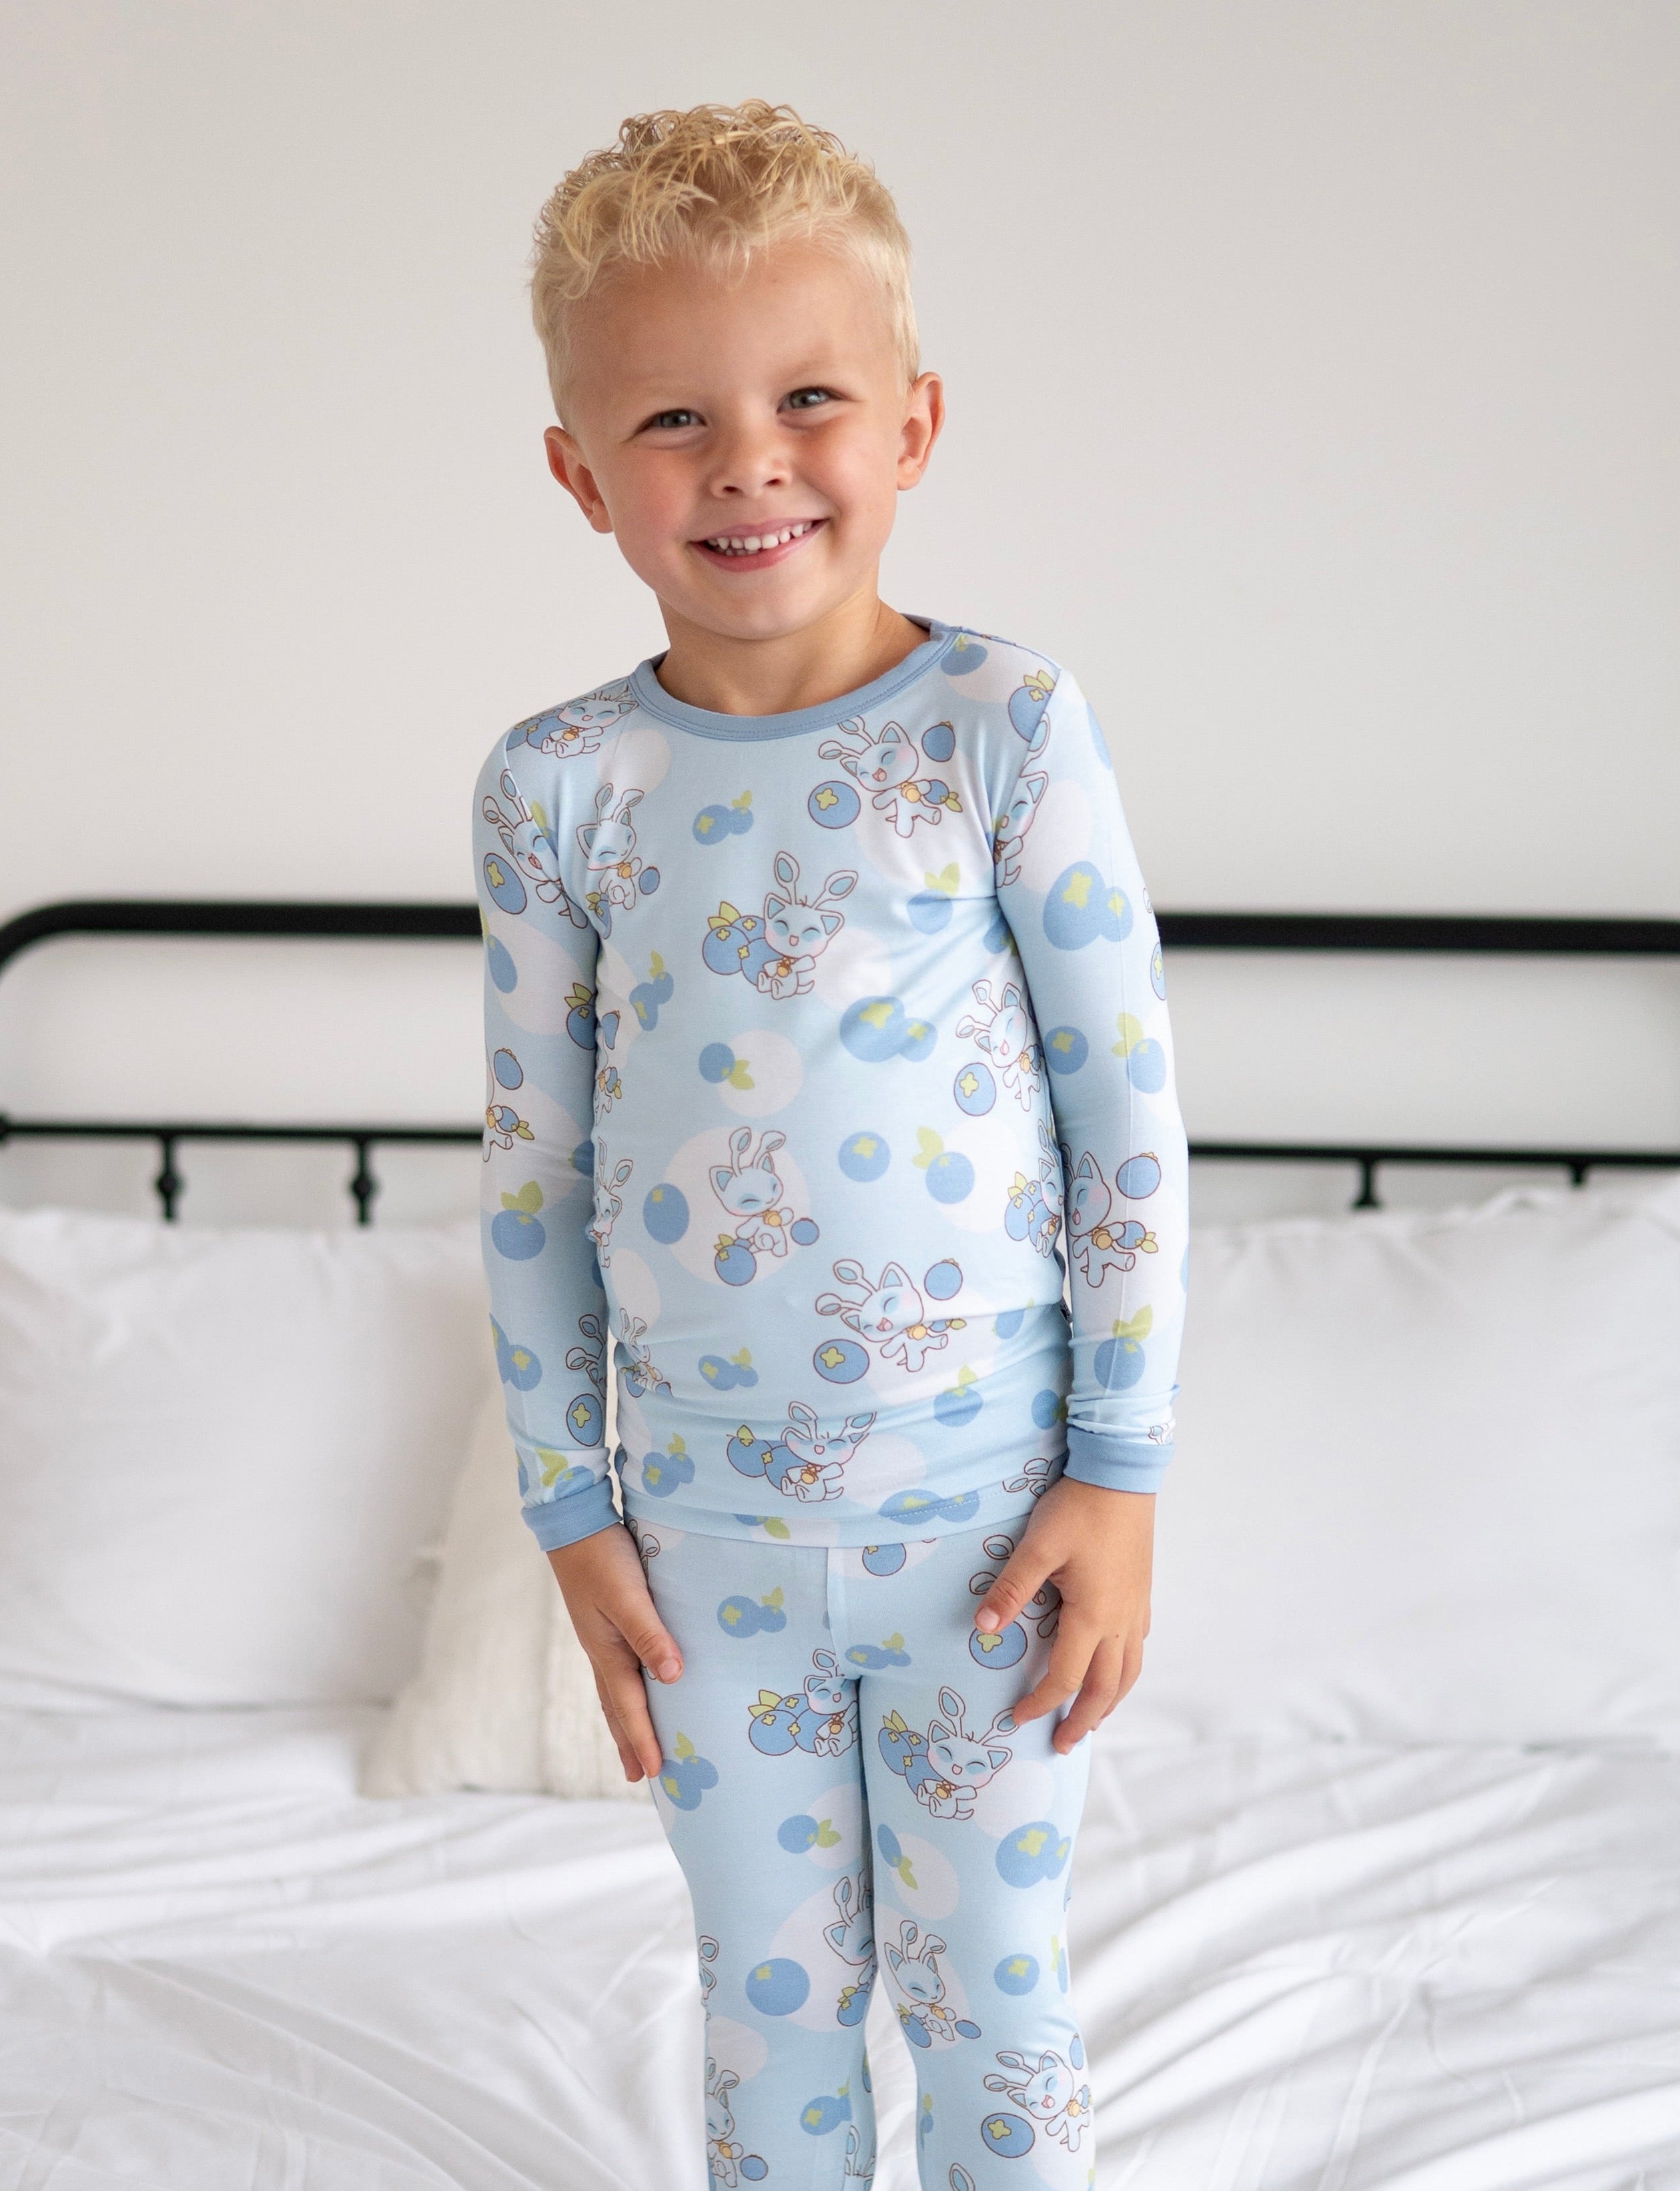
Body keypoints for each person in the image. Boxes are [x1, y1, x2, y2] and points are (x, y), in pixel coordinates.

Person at [471, 99, 1186, 2190]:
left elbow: (1123, 1123)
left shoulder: (1004, 727)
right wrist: (570, 1510)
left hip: (993, 1528)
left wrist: (1119, 1472)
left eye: (807, 398)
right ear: (578, 473)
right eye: (674, 420)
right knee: (768, 1999)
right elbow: (530, 1170)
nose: (750, 461)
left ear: (914, 420)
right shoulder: (557, 788)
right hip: (706, 1556)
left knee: (993, 1991)